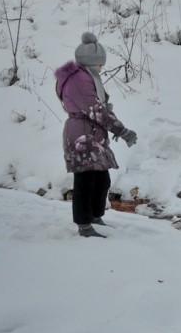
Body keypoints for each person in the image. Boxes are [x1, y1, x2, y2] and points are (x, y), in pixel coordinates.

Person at [55, 32, 137, 238]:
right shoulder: (79, 80)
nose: (102, 67)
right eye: (100, 64)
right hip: (83, 136)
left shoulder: (86, 76)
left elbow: (99, 107)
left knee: (102, 180)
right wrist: (122, 130)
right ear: (91, 62)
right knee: (85, 181)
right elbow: (96, 111)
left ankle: (94, 216)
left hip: (92, 134)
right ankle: (84, 225)